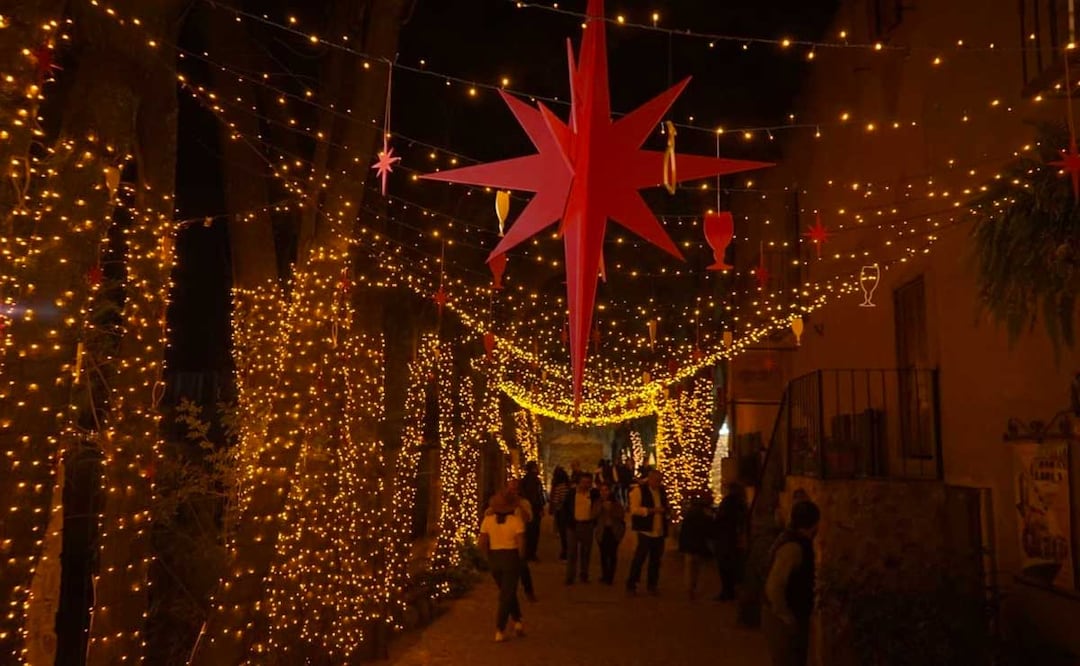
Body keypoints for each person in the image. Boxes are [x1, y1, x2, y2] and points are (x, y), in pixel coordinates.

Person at [763, 500, 821, 666]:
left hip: (784, 614)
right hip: (783, 617)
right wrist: (786, 616)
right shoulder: (794, 548)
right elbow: (775, 586)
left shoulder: (789, 539)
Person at [479, 494, 527, 642]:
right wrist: (521, 559)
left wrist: (487, 557)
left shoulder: (487, 520)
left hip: (495, 558)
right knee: (506, 594)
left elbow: (482, 542)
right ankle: (500, 628)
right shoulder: (516, 521)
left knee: (507, 591)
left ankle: (518, 621)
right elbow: (521, 544)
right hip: (511, 557)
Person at [490, 480, 537, 602]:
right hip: (502, 540)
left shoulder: (524, 503)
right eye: (510, 489)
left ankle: (528, 591)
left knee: (522, 567)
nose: (512, 492)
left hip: (517, 539)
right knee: (505, 570)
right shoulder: (500, 503)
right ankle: (508, 593)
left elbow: (528, 519)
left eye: (515, 489)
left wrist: (519, 506)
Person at [626, 470, 669, 596]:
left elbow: (664, 506)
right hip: (645, 531)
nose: (658, 483)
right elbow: (634, 509)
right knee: (639, 559)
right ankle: (632, 583)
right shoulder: (638, 491)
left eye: (660, 481)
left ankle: (652, 584)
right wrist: (652, 510)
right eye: (656, 480)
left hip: (658, 530)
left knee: (656, 560)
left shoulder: (661, 491)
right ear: (649, 479)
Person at [559, 472, 600, 584]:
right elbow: (565, 509)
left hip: (587, 525)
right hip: (574, 525)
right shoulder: (571, 494)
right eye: (584, 482)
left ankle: (584, 574)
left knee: (586, 552)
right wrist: (567, 523)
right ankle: (570, 576)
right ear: (579, 482)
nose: (586, 485)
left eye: (588, 483)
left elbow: (598, 507)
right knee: (572, 552)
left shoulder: (593, 494)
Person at [713, 482, 749, 601]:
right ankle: (731, 590)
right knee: (731, 565)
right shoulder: (741, 502)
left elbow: (722, 518)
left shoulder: (729, 502)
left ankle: (727, 591)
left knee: (725, 566)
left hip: (726, 538)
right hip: (732, 538)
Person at [678, 491, 713, 600]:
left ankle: (689, 589)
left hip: (688, 543)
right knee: (696, 567)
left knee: (689, 566)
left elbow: (684, 529)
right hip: (698, 543)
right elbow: (708, 529)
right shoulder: (705, 514)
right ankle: (693, 587)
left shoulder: (689, 513)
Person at [594, 481, 626, 584]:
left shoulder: (616, 503)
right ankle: (604, 575)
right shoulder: (597, 502)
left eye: (606, 490)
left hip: (613, 531)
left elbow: (621, 515)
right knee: (603, 554)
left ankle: (610, 576)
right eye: (602, 490)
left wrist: (611, 509)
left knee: (612, 554)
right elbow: (593, 515)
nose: (604, 493)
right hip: (602, 531)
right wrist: (601, 507)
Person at [519, 461, 546, 562]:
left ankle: (526, 552)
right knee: (534, 531)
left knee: (526, 531)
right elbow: (538, 495)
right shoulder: (535, 480)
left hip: (526, 507)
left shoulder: (524, 480)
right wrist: (540, 507)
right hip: (533, 508)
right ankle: (531, 553)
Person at [548, 466, 573, 560]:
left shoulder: (558, 487)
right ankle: (569, 550)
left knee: (563, 532)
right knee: (568, 531)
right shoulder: (568, 486)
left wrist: (553, 508)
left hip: (561, 511)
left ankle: (565, 551)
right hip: (569, 511)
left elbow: (556, 500)